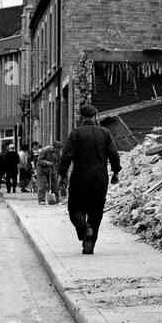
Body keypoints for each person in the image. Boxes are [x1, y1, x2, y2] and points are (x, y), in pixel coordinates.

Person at [58, 103, 120, 255]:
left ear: (81, 117)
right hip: (100, 178)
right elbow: (113, 153)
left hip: (80, 177)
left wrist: (62, 174)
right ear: (95, 116)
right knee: (96, 211)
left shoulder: (76, 133)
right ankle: (90, 243)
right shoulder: (105, 133)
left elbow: (66, 156)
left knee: (75, 208)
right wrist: (115, 171)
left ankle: (85, 229)